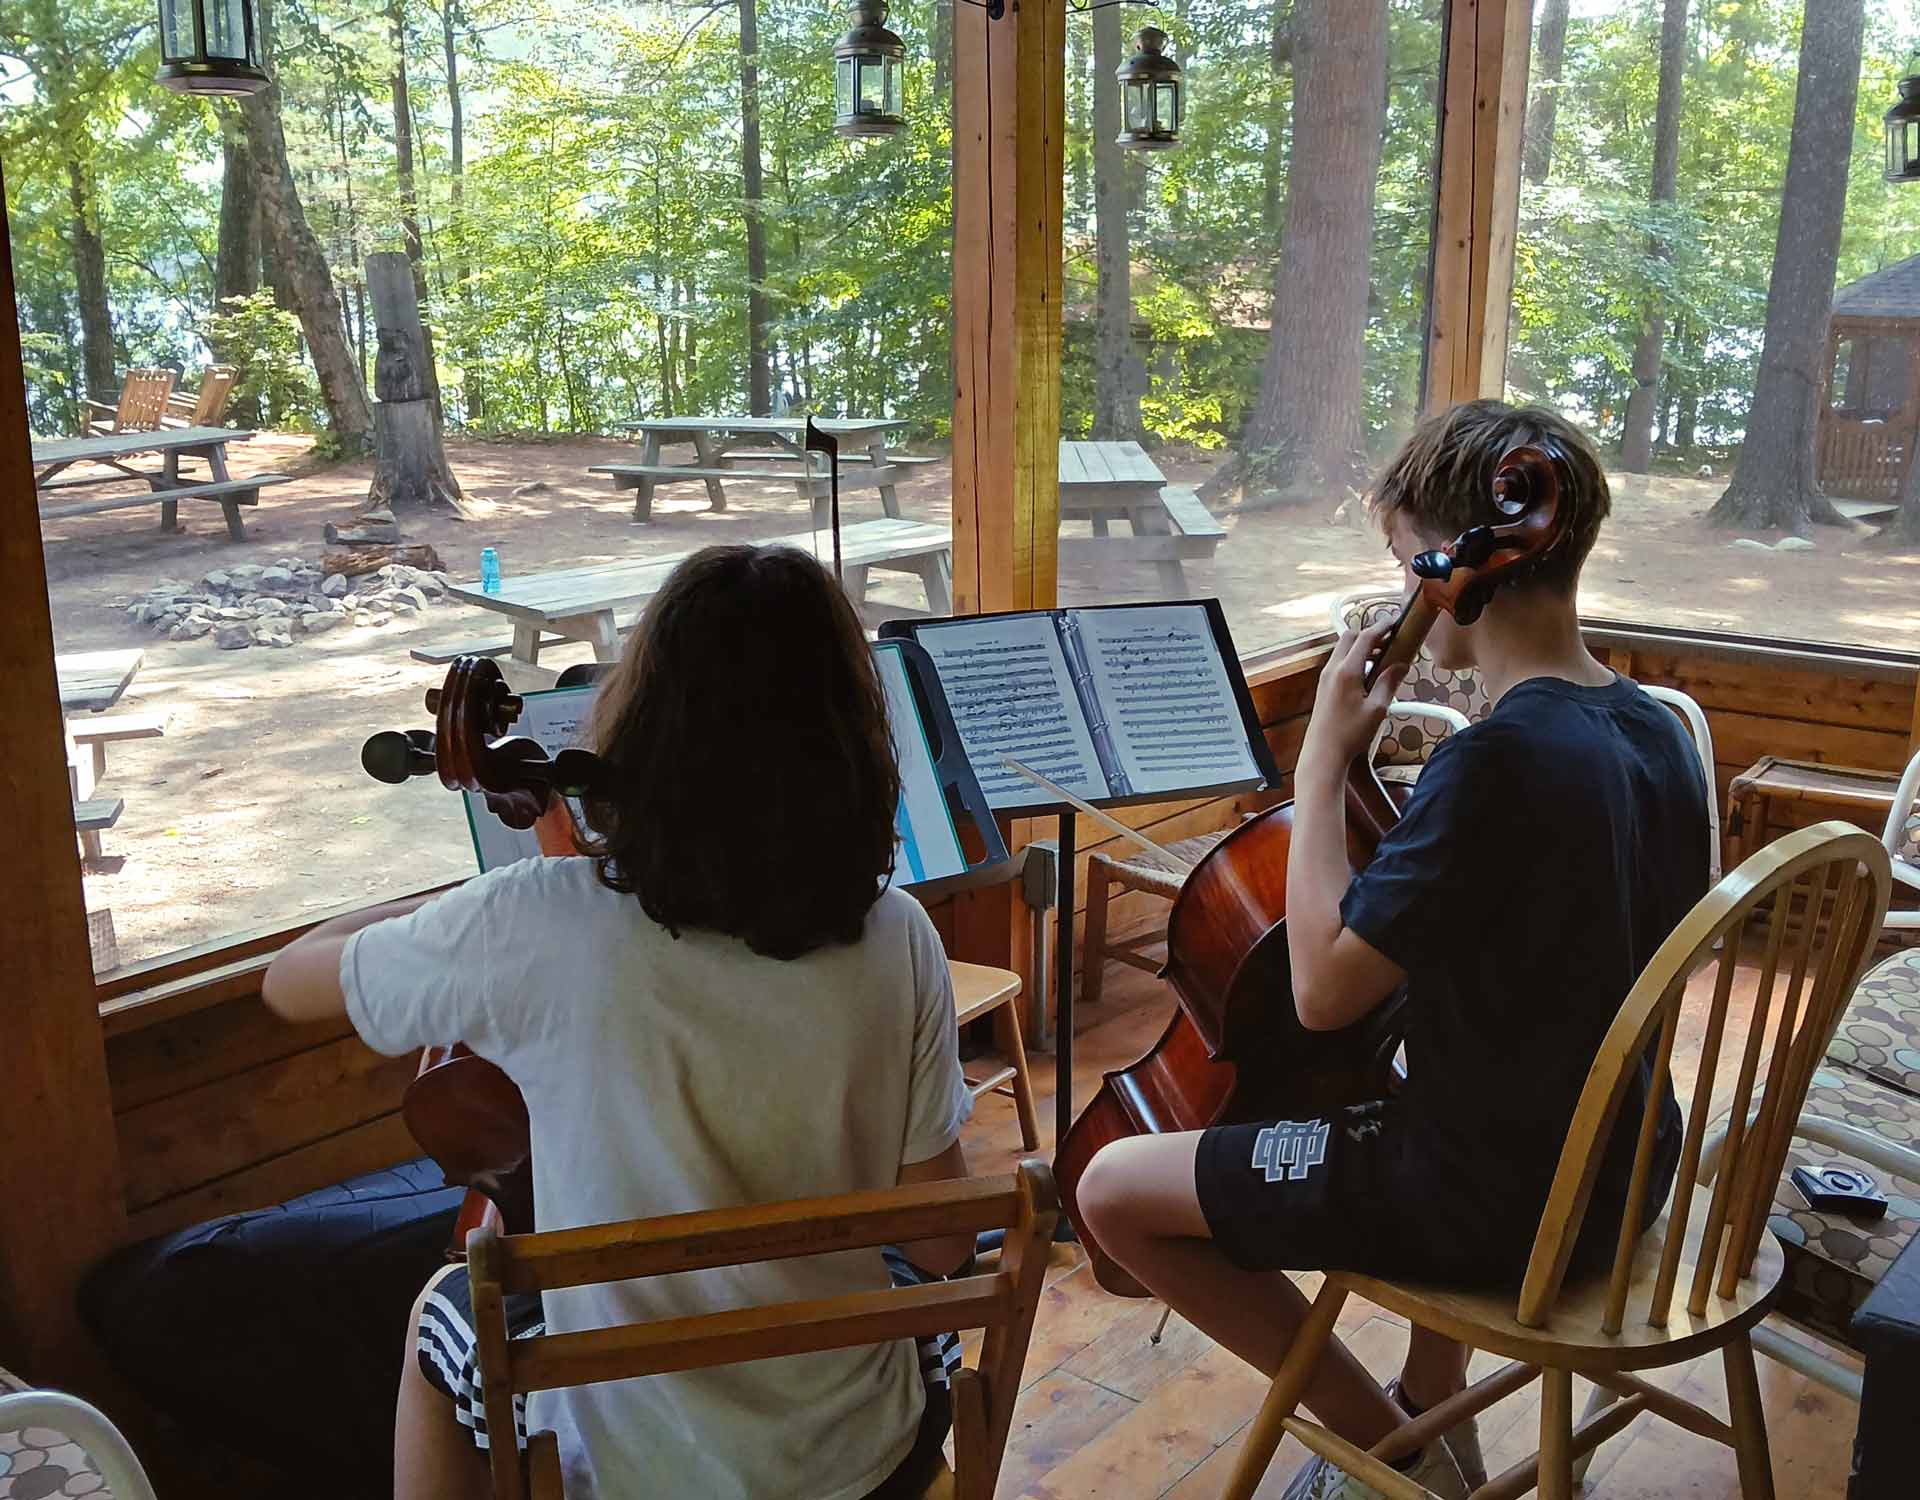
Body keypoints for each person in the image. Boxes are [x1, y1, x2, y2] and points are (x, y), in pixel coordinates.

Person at [1076, 400, 1707, 1500]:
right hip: (1627, 1166)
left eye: (1405, 556)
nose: (1408, 586)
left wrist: (1320, 763)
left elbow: (1321, 991)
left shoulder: (1498, 761)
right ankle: (1432, 1400)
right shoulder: (1657, 728)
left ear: (1457, 561)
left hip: (1506, 1203)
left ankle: (1401, 1455)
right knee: (1419, 1072)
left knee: (1117, 1189)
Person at [262, 545, 976, 1500]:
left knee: (442, 1311)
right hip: (859, 1465)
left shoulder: (536, 920)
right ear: (848, 741)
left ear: (645, 726)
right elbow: (937, 1247)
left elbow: (287, 981)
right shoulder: (900, 936)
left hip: (629, 1470)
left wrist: (470, 909)